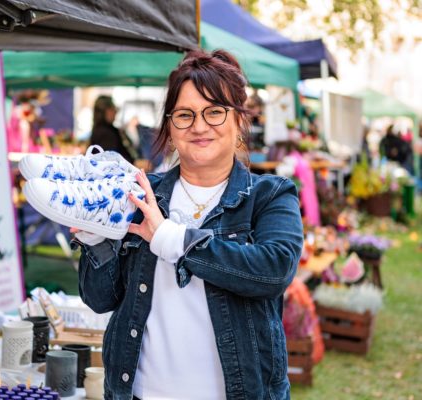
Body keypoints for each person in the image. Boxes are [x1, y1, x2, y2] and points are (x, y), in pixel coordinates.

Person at [72, 49, 303, 399]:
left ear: (240, 120)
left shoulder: (269, 195)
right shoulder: (139, 194)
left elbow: (273, 270)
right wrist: (95, 240)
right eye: (185, 114)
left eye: (215, 112)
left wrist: (171, 238)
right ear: (169, 124)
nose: (198, 126)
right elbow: (101, 299)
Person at [90, 95, 138, 164]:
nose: (116, 112)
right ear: (106, 111)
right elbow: (111, 159)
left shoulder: (102, 130)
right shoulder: (105, 133)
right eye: (113, 108)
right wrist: (134, 163)